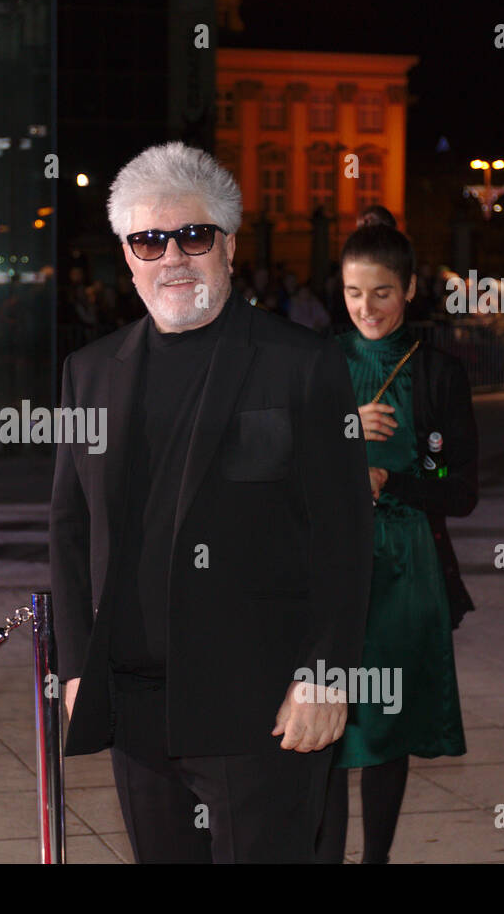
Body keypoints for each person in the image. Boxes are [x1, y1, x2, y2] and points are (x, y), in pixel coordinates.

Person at [50, 141, 373, 863]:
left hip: (260, 707)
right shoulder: (89, 373)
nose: (173, 257)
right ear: (127, 256)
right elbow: (68, 533)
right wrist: (75, 671)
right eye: (149, 240)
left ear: (227, 246)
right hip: (135, 707)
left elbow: (346, 535)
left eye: (193, 236)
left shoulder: (303, 364)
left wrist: (326, 674)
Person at [315, 223, 477, 864]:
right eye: (354, 293)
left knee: (385, 729)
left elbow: (459, 486)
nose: (366, 309)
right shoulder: (320, 363)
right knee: (322, 727)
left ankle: (375, 860)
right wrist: (344, 431)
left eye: (382, 292)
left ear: (410, 289)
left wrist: (396, 480)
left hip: (407, 571)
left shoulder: (440, 373)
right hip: (329, 565)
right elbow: (273, 461)